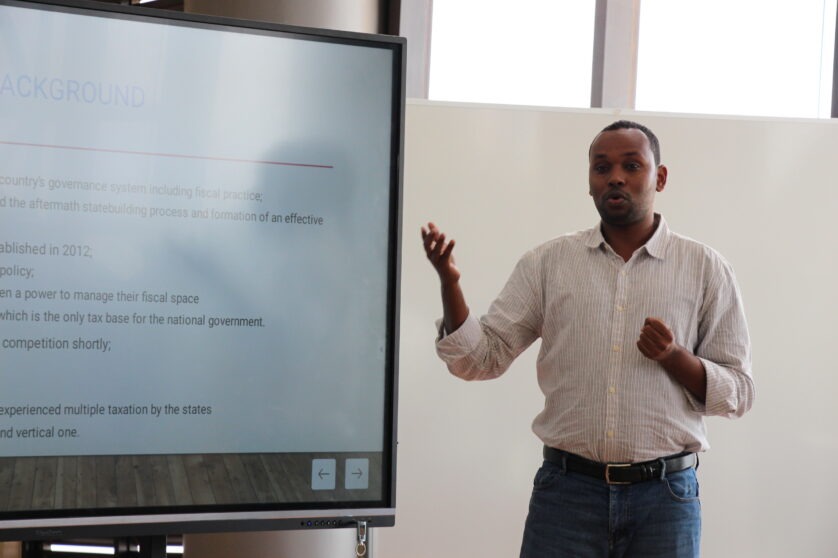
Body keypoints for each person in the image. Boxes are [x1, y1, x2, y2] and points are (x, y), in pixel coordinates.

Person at [421, 120, 754, 558]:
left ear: (660, 177)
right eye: (602, 168)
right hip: (567, 496)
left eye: (632, 165)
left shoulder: (706, 268)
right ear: (590, 182)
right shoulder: (548, 264)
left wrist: (675, 357)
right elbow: (481, 359)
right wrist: (450, 284)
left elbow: (740, 393)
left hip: (666, 499)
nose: (615, 176)